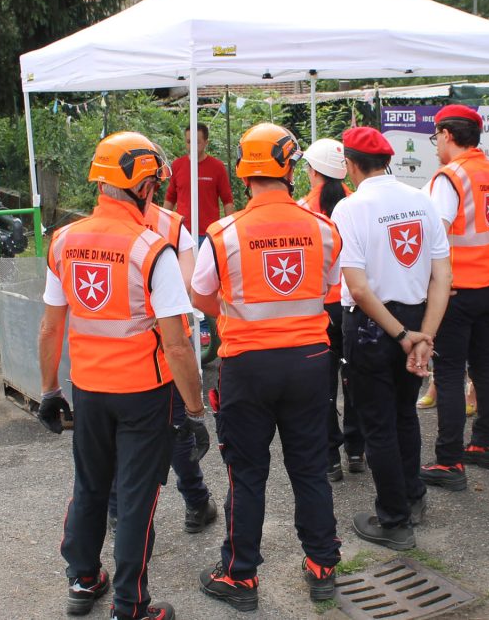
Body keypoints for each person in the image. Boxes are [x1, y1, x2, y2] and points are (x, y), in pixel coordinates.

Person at [38, 131, 208, 620]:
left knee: (91, 486)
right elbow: (177, 343)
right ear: (144, 186)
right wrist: (195, 411)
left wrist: (50, 391)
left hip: (88, 390)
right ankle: (131, 605)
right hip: (143, 394)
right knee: (136, 497)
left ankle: (83, 580)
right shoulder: (153, 250)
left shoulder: (64, 241)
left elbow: (52, 327)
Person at [191, 123, 342, 612]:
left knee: (247, 473)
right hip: (310, 363)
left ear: (242, 170)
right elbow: (328, 285)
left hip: (247, 366)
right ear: (291, 168)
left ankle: (240, 576)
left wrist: (237, 314)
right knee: (310, 468)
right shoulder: (322, 227)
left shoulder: (224, 234)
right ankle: (322, 565)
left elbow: (200, 294)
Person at [331, 126, 451, 551]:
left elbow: (359, 289)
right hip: (418, 319)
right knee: (404, 413)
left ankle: (394, 520)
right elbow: (442, 277)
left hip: (371, 326)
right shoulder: (421, 200)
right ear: (388, 161)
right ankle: (412, 496)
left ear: (349, 164)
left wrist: (402, 335)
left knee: (378, 424)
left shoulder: (350, 208)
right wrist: (424, 337)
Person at [420, 104, 489, 491]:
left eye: (437, 138)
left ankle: (449, 462)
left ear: (447, 135)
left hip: (457, 290)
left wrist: (436, 282)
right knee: (484, 364)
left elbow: (436, 235)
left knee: (449, 372)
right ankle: (486, 444)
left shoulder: (450, 177)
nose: (436, 146)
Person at [105, 201, 217, 536]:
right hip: (161, 350)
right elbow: (187, 283)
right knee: (178, 431)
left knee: (113, 440)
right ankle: (196, 504)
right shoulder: (171, 225)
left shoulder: (90, 229)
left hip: (105, 358)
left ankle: (117, 512)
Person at [297, 138, 365, 482]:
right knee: (354, 379)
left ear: (313, 171)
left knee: (322, 386)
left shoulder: (301, 210)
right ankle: (356, 450)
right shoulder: (357, 204)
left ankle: (330, 459)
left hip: (319, 308)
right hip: (354, 305)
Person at [164, 122, 234, 238]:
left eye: (197, 142)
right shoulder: (177, 165)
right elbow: (170, 198)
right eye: (189, 142)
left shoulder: (217, 167)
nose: (192, 146)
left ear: (206, 142)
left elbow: (227, 200)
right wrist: (163, 226)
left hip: (209, 233)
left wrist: (228, 232)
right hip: (183, 233)